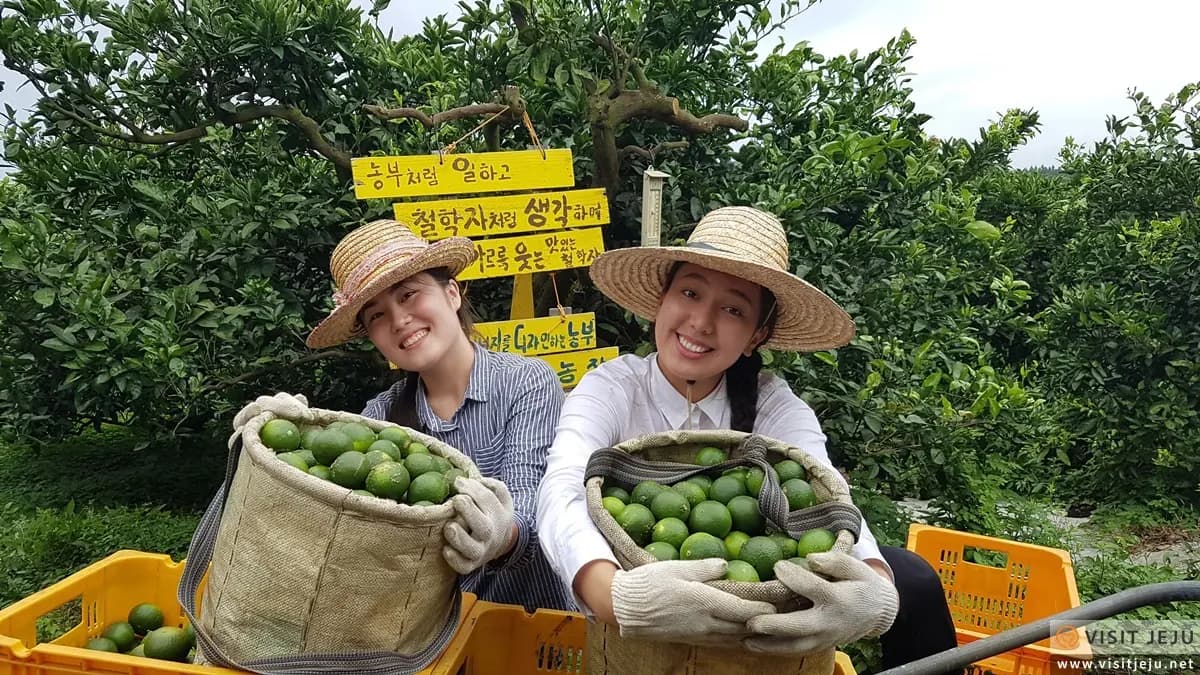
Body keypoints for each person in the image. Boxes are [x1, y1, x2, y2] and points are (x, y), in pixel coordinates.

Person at [536, 206, 959, 669]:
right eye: (690, 292)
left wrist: (876, 586)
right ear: (662, 299)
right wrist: (612, 596)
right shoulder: (613, 388)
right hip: (636, 645)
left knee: (913, 578)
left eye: (733, 309)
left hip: (757, 640)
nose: (701, 321)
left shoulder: (774, 406)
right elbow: (563, 486)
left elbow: (826, 495)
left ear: (757, 335)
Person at [244, 218, 574, 612]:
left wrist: (502, 535)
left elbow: (531, 503)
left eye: (409, 295)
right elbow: (344, 511)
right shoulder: (379, 417)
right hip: (425, 631)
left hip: (532, 620)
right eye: (376, 315)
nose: (399, 320)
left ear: (451, 293)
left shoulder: (526, 382)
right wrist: (289, 437)